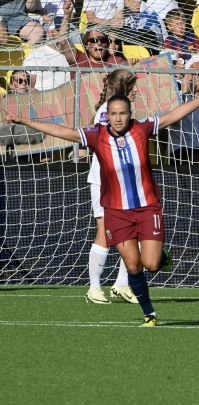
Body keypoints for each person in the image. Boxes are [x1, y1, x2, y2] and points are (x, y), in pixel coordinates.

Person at [5, 80, 199, 326]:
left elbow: (175, 114)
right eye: (114, 114)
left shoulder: (142, 129)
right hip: (116, 212)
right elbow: (63, 131)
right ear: (107, 116)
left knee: (151, 264)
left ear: (130, 113)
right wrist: (24, 121)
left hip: (147, 208)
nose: (118, 118)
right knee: (133, 264)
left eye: (123, 113)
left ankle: (162, 256)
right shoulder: (96, 135)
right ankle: (149, 313)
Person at [83, 69, 140, 305]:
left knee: (133, 231)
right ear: (124, 88)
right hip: (104, 181)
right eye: (133, 86)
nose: (137, 90)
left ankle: (121, 284)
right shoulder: (107, 114)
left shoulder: (118, 112)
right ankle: (94, 288)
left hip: (121, 181)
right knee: (105, 233)